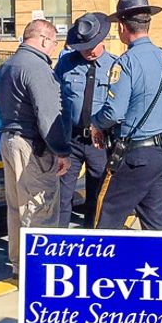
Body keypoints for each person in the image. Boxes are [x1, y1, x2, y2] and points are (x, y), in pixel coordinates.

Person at [90, 0, 162, 231]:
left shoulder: (126, 63)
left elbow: (114, 113)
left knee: (107, 214)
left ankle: (102, 267)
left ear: (121, 27)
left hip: (136, 156)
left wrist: (96, 122)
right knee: (154, 216)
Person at [0, 19, 71, 279]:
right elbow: (48, 115)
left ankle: (19, 267)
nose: (54, 48)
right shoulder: (37, 68)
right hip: (32, 145)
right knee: (40, 209)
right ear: (43, 39)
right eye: (53, 42)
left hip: (9, 138)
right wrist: (61, 150)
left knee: (17, 208)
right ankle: (38, 274)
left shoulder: (8, 65)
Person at [54, 12, 116, 228]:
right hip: (71, 140)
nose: (88, 51)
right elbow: (55, 98)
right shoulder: (66, 64)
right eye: (84, 46)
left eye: (92, 45)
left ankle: (91, 239)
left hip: (99, 141)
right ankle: (60, 238)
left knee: (96, 195)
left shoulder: (115, 67)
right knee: (62, 195)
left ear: (102, 40)